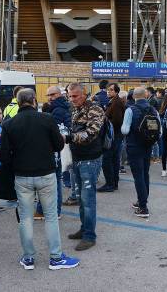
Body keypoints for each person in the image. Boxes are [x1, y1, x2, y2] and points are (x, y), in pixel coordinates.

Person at [0, 88, 80, 271]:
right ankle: (56, 258)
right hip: (46, 173)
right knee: (51, 216)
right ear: (34, 101)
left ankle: (28, 258)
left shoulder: (9, 124)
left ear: (18, 102)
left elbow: (3, 155)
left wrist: (16, 162)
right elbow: (59, 144)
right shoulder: (47, 119)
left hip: (22, 176)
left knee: (25, 218)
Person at [65, 82, 105, 251]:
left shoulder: (95, 109)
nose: (71, 99)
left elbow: (90, 133)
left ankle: (90, 236)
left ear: (84, 94)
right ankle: (84, 229)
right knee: (81, 198)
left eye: (75, 96)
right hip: (77, 158)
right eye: (70, 96)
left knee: (88, 200)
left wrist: (68, 137)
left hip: (90, 160)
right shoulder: (75, 109)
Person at [121, 87, 160, 218]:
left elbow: (125, 130)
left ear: (133, 97)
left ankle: (143, 207)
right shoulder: (153, 109)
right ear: (146, 95)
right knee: (145, 174)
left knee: (138, 176)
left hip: (134, 146)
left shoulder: (130, 110)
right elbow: (159, 129)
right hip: (148, 145)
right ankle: (142, 201)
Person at [43, 86, 73, 213]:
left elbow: (54, 132)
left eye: (52, 95)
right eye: (48, 95)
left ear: (59, 94)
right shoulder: (63, 106)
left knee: (55, 180)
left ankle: (56, 209)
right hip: (63, 146)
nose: (50, 98)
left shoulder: (57, 110)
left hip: (57, 149)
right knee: (59, 177)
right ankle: (57, 209)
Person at [98, 83, 125, 192]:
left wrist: (106, 122)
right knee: (113, 160)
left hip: (114, 136)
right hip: (115, 135)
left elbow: (118, 121)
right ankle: (113, 183)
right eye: (108, 90)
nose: (108, 92)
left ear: (116, 92)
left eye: (111, 90)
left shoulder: (116, 102)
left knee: (107, 160)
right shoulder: (113, 101)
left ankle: (110, 184)